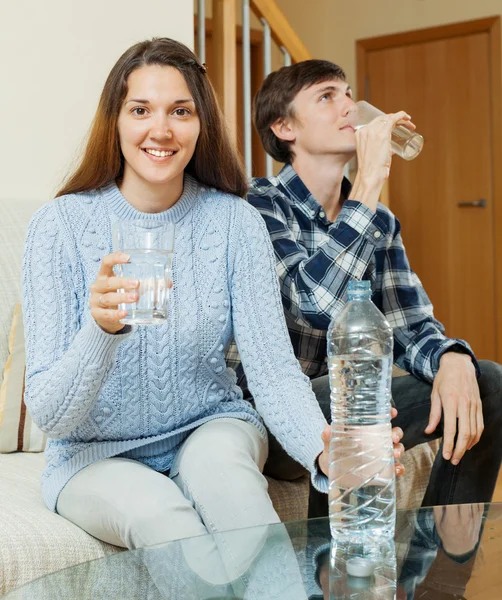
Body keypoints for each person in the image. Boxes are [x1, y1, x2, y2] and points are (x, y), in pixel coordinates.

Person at [22, 38, 341, 557]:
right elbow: (52, 417)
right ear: (116, 121)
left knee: (233, 493)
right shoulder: (59, 227)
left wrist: (324, 454)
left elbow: (274, 373)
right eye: (141, 110)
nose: (161, 130)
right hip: (92, 457)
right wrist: (99, 332)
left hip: (210, 426)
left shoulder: (235, 222)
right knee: (164, 522)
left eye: (181, 111)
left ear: (201, 124)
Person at [228, 59, 502, 514]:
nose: (350, 108)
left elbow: (409, 327)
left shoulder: (381, 222)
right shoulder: (256, 205)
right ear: (284, 127)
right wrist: (371, 180)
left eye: (348, 93)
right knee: (349, 393)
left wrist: (452, 358)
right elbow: (313, 302)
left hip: (343, 398)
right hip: (273, 416)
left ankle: (442, 577)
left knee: (488, 380)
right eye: (327, 96)